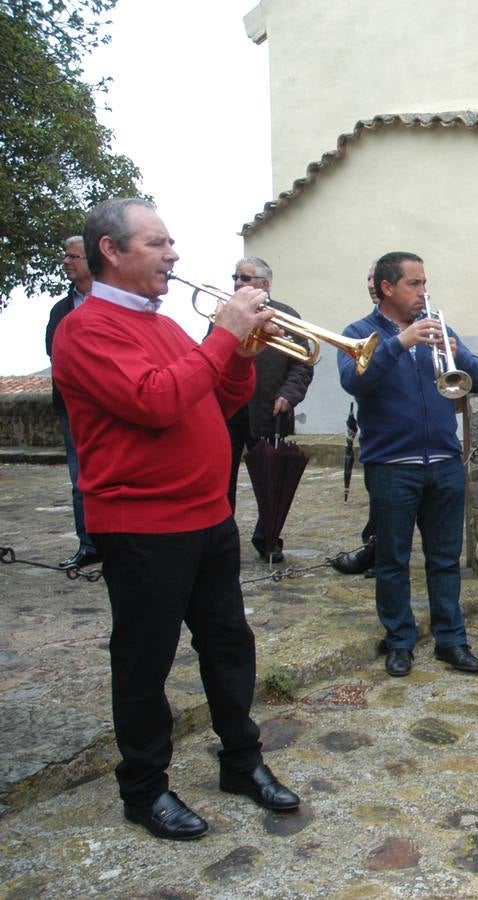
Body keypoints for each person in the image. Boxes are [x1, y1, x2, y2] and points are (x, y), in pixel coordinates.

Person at [50, 198, 300, 841]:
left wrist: (243, 351)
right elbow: (156, 401)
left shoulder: (160, 324)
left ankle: (241, 763)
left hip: (205, 514)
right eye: (159, 243)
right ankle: (143, 789)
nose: (174, 255)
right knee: (145, 661)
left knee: (228, 647)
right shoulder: (86, 329)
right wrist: (222, 333)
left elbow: (217, 397)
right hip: (140, 524)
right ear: (112, 250)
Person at [339, 251, 478, 678]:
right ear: (388, 288)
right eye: (414, 284)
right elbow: (354, 381)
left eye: (425, 283)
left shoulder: (438, 326)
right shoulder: (359, 333)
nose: (423, 292)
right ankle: (400, 641)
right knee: (392, 561)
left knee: (445, 560)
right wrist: (399, 344)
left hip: (444, 461)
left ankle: (451, 640)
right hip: (391, 466)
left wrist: (457, 354)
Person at [224, 256, 314, 563]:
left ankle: (268, 537)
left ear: (265, 284)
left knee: (271, 478)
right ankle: (222, 540)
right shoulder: (224, 314)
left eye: (245, 278)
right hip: (228, 411)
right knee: (221, 481)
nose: (237, 282)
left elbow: (303, 363)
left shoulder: (287, 316)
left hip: (269, 409)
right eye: (235, 276)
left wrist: (289, 394)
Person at [45, 236, 99, 570]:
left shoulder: (119, 301)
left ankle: (116, 541)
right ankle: (89, 544)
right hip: (73, 408)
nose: (66, 262)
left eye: (73, 256)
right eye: (65, 256)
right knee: (79, 479)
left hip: (112, 405)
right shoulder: (61, 309)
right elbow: (54, 352)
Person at [331, 261, 379, 577]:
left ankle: (381, 553)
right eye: (368, 278)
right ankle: (376, 552)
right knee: (383, 505)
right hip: (382, 440)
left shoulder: (427, 325)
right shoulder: (357, 331)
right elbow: (353, 380)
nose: (371, 284)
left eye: (376, 278)